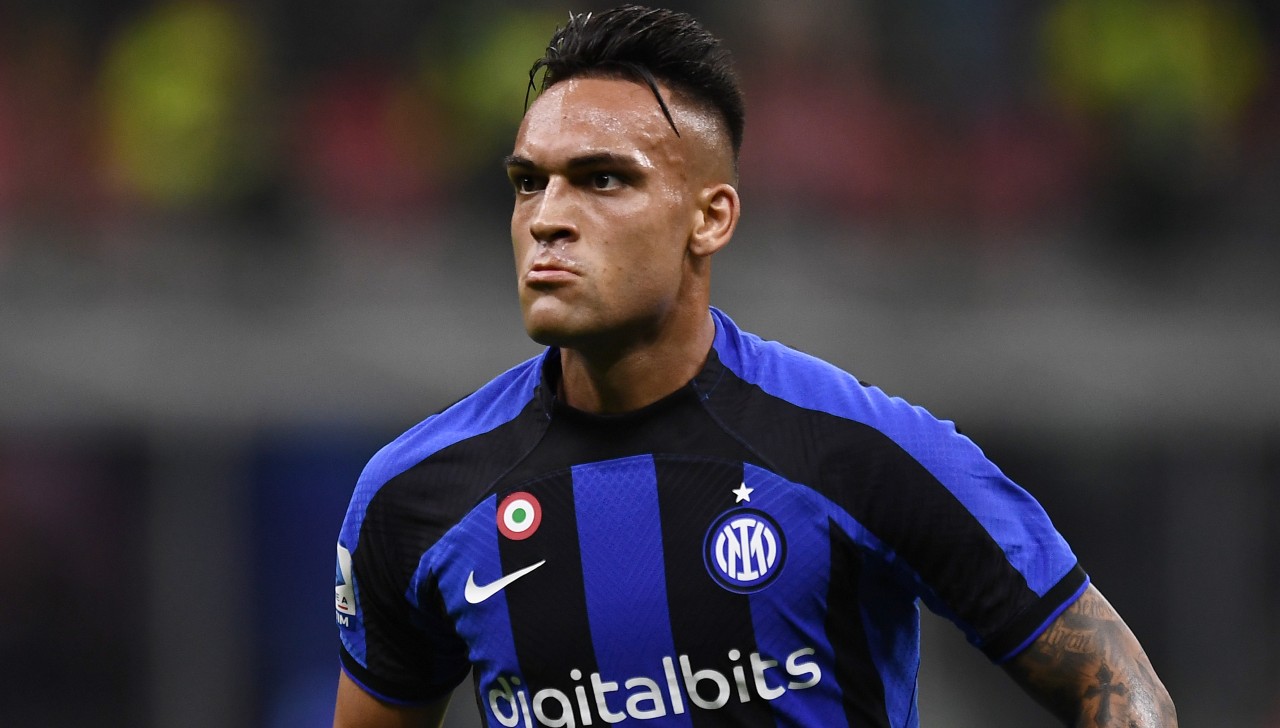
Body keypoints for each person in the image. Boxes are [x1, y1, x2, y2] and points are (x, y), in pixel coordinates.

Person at [332, 6, 1177, 727]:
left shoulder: (857, 451)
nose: (548, 218)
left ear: (710, 218)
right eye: (528, 183)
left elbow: (1116, 685)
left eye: (602, 180)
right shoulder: (417, 497)